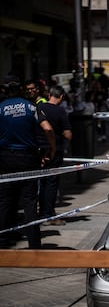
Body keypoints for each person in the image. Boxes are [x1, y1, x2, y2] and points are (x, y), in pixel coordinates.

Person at [0, 77, 56, 249]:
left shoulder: (0, 108)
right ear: (21, 89)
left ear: (5, 91)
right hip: (27, 158)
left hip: (4, 158)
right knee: (30, 201)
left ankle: (3, 240)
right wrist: (52, 148)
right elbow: (47, 128)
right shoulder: (31, 107)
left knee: (4, 201)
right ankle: (34, 242)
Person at [37, 85, 72, 226]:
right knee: (51, 183)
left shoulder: (39, 108)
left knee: (41, 182)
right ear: (61, 96)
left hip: (38, 150)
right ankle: (48, 215)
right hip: (54, 151)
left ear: (49, 94)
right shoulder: (60, 111)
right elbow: (67, 134)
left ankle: (41, 214)